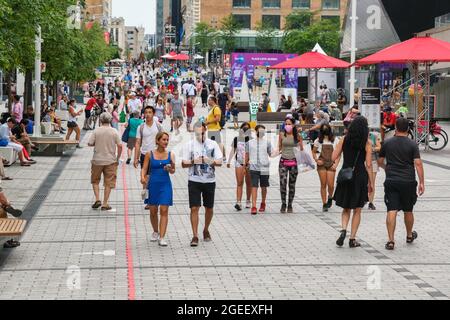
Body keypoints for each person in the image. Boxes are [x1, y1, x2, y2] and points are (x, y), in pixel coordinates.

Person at [377, 117, 424, 251]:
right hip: (408, 181)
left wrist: (387, 168)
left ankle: (391, 241)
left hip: (391, 180)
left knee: (392, 209)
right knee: (408, 210)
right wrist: (422, 182)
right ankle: (409, 235)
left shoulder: (387, 143)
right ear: (408, 129)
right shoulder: (412, 144)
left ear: (396, 128)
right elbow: (418, 163)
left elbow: (380, 161)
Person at [332, 116, 374, 248]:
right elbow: (368, 164)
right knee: (357, 210)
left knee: (346, 208)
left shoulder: (344, 139)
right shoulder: (367, 143)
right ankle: (352, 238)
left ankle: (343, 229)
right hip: (360, 176)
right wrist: (371, 182)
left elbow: (333, 156)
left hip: (346, 174)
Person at [182, 122, 223, 247]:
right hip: (194, 180)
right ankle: (195, 235)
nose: (200, 135)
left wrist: (208, 160)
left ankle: (205, 229)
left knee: (209, 208)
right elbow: (184, 163)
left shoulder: (213, 144)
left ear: (206, 131)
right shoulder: (189, 145)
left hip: (209, 181)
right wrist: (194, 161)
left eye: (202, 133)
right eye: (197, 133)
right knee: (194, 208)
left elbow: (220, 162)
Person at [141, 132, 175, 247]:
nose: (166, 142)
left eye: (167, 140)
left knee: (164, 209)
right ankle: (155, 231)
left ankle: (162, 237)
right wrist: (142, 178)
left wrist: (170, 168)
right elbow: (144, 168)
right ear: (157, 141)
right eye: (164, 140)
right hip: (153, 184)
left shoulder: (171, 154)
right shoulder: (149, 154)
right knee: (153, 210)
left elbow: (173, 170)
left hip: (165, 184)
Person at [88, 112, 122, 212]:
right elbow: (120, 145)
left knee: (95, 180)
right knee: (108, 182)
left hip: (97, 159)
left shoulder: (96, 131)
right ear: (111, 120)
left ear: (101, 120)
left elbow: (90, 143)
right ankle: (105, 203)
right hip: (110, 160)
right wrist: (118, 157)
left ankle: (97, 199)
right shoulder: (114, 131)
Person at [134, 106, 163, 209]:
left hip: (157, 155)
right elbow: (137, 143)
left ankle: (155, 199)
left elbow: (163, 141)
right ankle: (148, 201)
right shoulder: (140, 127)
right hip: (144, 155)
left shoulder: (158, 126)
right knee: (145, 178)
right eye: (146, 112)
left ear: (153, 114)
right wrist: (135, 158)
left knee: (156, 178)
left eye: (150, 112)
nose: (148, 114)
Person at [246, 125, 275, 215]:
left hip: (264, 167)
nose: (262, 132)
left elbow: (271, 154)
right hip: (253, 167)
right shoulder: (250, 143)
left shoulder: (267, 143)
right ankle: (254, 206)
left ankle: (263, 203)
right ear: (256, 131)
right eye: (260, 131)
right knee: (254, 186)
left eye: (263, 131)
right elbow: (246, 154)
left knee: (264, 186)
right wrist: (245, 164)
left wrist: (278, 151)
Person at [312, 124, 340, 212]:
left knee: (331, 185)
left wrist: (336, 164)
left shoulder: (335, 140)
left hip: (332, 164)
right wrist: (316, 160)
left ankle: (330, 197)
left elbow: (339, 153)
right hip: (322, 164)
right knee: (323, 184)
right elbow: (313, 152)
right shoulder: (318, 141)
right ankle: (324, 203)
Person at [278, 118, 304, 213]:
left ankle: (290, 205)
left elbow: (301, 149)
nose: (287, 126)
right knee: (283, 183)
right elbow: (279, 147)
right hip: (283, 162)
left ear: (293, 125)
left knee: (292, 184)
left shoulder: (297, 135)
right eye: (286, 124)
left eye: (289, 124)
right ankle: (283, 203)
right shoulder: (281, 135)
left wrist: (300, 140)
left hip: (294, 162)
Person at [227, 122, 252, 211]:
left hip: (249, 163)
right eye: (244, 128)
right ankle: (238, 202)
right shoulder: (236, 139)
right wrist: (229, 161)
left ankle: (248, 200)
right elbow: (233, 150)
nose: (245, 130)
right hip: (239, 162)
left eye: (247, 129)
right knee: (239, 182)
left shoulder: (251, 140)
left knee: (249, 183)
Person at [205, 96, 225, 160]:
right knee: (213, 143)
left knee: (218, 143)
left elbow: (217, 119)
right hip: (211, 129)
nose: (208, 102)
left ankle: (223, 157)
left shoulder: (216, 108)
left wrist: (208, 122)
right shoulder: (212, 108)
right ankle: (215, 156)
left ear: (212, 101)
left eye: (209, 100)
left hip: (215, 129)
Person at [368, 129, 382, 210]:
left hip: (373, 161)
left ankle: (370, 202)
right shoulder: (360, 137)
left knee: (371, 182)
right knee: (364, 182)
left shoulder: (373, 136)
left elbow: (379, 147)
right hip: (363, 162)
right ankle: (364, 198)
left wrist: (372, 148)